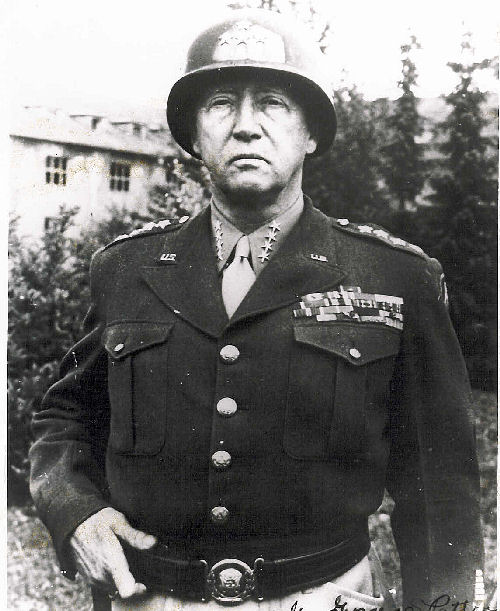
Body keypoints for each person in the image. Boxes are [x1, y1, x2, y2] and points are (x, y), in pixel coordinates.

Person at [29, 9, 484, 611]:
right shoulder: (126, 270)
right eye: (221, 104)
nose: (246, 127)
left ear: (311, 132)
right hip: (152, 598)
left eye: (273, 103)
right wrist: (76, 513)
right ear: (194, 137)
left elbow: (439, 488)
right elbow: (64, 417)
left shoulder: (396, 278)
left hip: (326, 597)